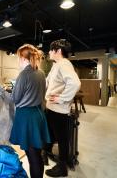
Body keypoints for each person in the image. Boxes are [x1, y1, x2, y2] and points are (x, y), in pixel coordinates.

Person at [0, 44, 50, 178]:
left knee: (32, 157)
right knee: (36, 155)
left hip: (27, 118)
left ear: (23, 58)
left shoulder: (24, 74)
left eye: (18, 57)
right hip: (38, 114)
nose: (17, 60)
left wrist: (2, 90)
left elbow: (14, 98)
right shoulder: (41, 73)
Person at [44, 39, 81, 177]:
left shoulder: (64, 64)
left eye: (50, 50)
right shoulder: (56, 65)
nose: (48, 52)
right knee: (52, 134)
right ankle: (47, 153)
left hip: (59, 110)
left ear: (58, 51)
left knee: (62, 139)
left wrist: (62, 98)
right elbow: (49, 81)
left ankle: (62, 167)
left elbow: (75, 83)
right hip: (52, 108)